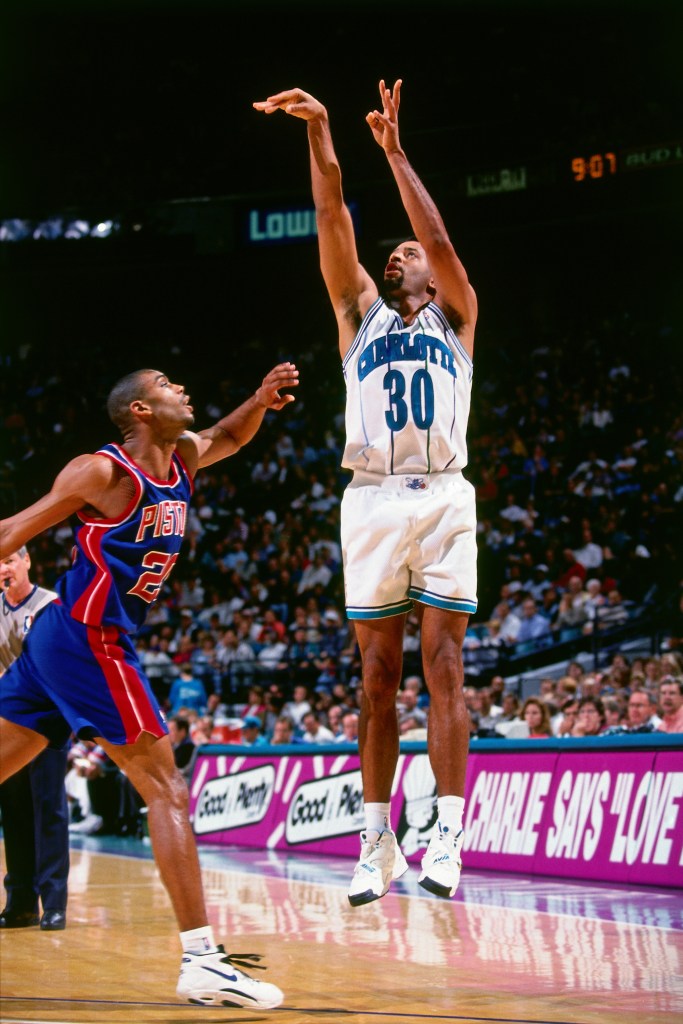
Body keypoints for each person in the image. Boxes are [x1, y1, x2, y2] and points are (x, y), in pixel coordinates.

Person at [0, 362, 299, 1008]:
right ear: (139, 410)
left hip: (63, 638)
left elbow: (230, 436)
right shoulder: (102, 472)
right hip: (89, 639)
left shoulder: (184, 457)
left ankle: (202, 960)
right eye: (166, 384)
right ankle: (202, 961)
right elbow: (9, 534)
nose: (182, 389)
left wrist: (257, 399)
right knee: (166, 787)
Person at [255, 79, 478, 905]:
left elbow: (441, 239)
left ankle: (447, 835)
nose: (397, 255)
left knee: (443, 664)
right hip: (372, 497)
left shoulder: (456, 315)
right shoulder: (358, 314)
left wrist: (394, 151)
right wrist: (320, 134)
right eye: (391, 255)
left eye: (405, 254)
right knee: (377, 677)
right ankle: (375, 838)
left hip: (446, 493)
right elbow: (330, 218)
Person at [0, 546, 69, 931]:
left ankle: (54, 902)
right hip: (6, 721)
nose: (5, 567)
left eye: (11, 559)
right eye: (0, 561)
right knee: (14, 813)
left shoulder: (50, 605)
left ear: (27, 562)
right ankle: (21, 902)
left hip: (44, 720)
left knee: (49, 811)